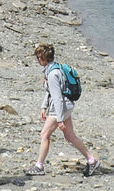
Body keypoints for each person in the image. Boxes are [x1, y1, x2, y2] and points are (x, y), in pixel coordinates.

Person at [27, 44, 99, 177]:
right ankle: (91, 159)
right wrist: (44, 106)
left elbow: (57, 98)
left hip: (60, 108)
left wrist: (59, 119)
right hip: (67, 106)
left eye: (38, 57)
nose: (37, 60)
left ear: (43, 58)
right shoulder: (55, 69)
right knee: (70, 136)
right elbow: (50, 93)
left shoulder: (53, 74)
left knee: (44, 135)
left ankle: (39, 166)